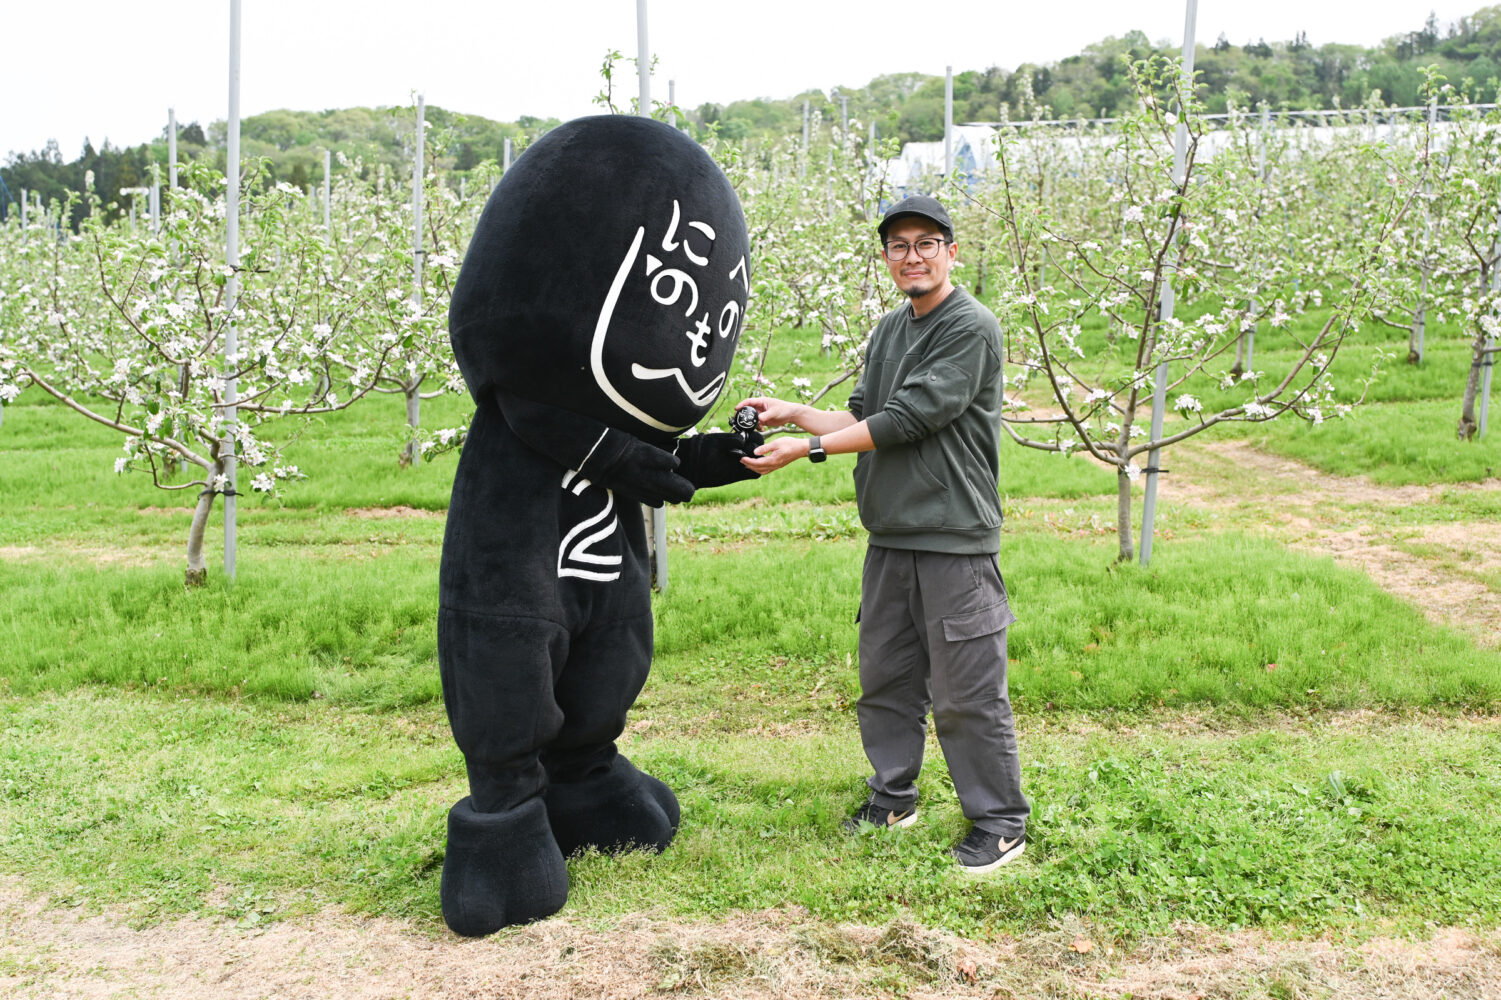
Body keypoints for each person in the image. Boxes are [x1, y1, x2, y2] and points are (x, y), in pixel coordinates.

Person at [739, 194, 1028, 874]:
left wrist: (808, 451)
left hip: (952, 537)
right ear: (886, 258)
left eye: (926, 243)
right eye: (899, 246)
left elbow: (910, 419)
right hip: (891, 536)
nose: (912, 256)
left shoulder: (971, 326)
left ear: (951, 252)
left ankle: (1000, 823)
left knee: (966, 694)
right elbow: (863, 416)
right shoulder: (891, 329)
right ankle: (893, 798)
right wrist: (795, 414)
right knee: (886, 681)